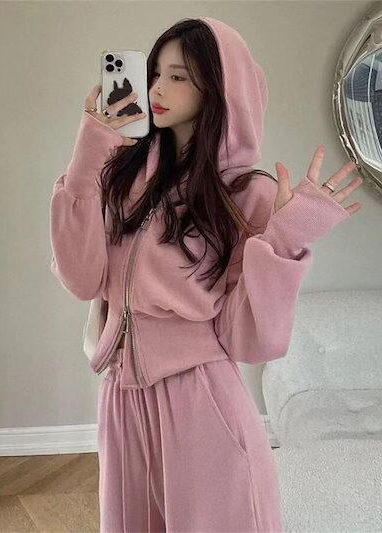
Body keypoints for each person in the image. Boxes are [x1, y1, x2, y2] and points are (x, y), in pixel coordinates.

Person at [49, 16, 363, 533]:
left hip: (199, 401)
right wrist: (90, 151)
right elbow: (82, 279)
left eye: (179, 76)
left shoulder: (247, 194)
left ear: (220, 89)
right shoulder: (122, 177)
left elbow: (249, 339)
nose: (157, 88)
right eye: (155, 73)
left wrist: (282, 240)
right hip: (122, 398)